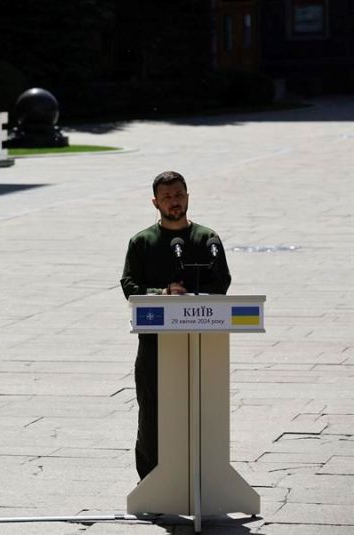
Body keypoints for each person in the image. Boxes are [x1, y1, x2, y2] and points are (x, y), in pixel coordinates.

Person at [120, 171, 231, 480]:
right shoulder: (142, 242)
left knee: (201, 412)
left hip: (201, 342)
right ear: (156, 202)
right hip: (155, 343)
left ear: (188, 196)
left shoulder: (207, 238)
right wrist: (162, 293)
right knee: (153, 414)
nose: (174, 202)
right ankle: (152, 482)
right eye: (167, 197)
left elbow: (222, 281)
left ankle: (202, 479)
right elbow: (129, 285)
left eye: (179, 195)